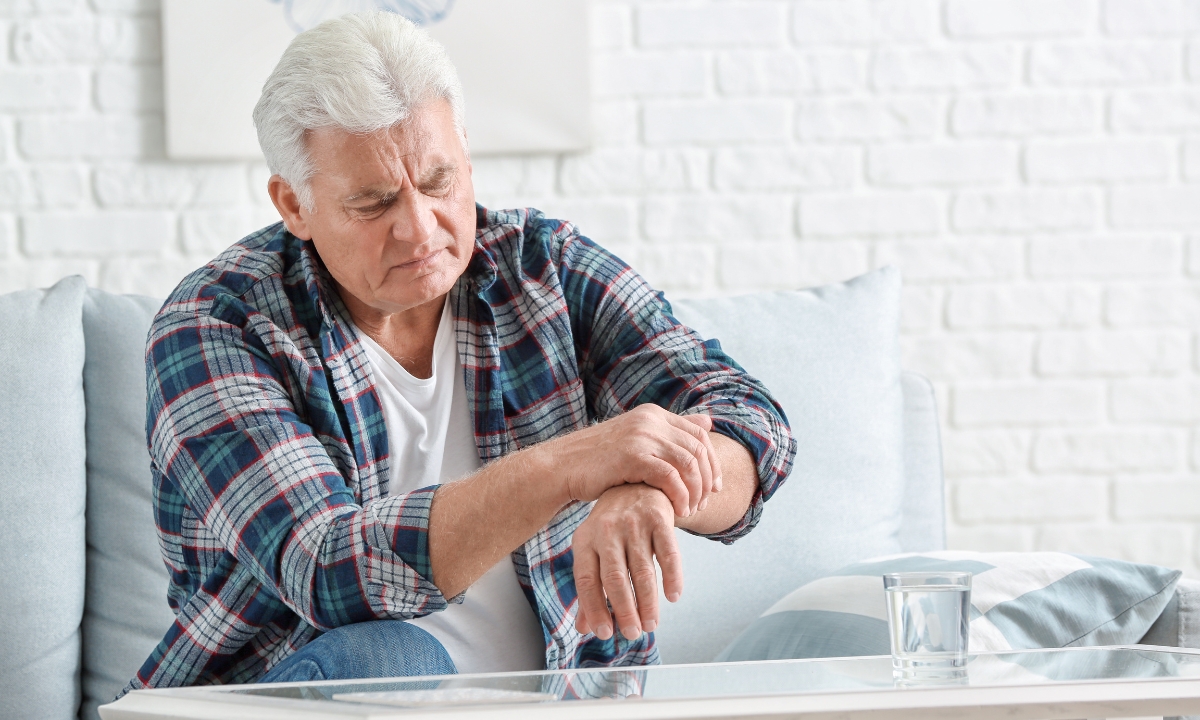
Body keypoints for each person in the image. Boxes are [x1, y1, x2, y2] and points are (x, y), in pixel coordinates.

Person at [123, 11, 795, 693]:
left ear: (466, 155)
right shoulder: (215, 325)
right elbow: (328, 569)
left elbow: (751, 420)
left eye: (439, 181)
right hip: (288, 699)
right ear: (293, 204)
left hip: (559, 705)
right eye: (373, 202)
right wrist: (573, 466)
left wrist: (649, 484)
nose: (419, 227)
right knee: (392, 662)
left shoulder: (546, 269)